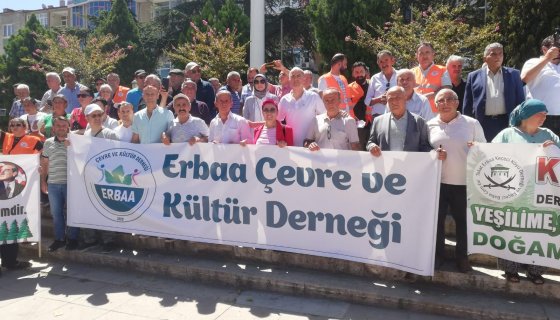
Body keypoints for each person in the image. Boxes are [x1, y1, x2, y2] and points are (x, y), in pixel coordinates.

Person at [492, 99, 557, 284]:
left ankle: (535, 270)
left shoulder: (549, 135)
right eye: (540, 114)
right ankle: (510, 270)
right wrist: (476, 149)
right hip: (512, 191)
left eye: (545, 114)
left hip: (541, 193)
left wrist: (549, 150)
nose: (544, 118)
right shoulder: (507, 134)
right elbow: (490, 155)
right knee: (511, 228)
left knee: (539, 230)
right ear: (527, 116)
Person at [427, 88, 486, 273]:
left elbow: (485, 148)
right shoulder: (429, 125)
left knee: (463, 223)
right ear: (435, 105)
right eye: (440, 101)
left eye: (449, 99)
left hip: (464, 182)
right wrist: (432, 154)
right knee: (436, 222)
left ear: (457, 102)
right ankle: (438, 255)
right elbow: (423, 149)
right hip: (437, 183)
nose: (444, 103)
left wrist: (477, 148)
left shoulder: (472, 123)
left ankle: (462, 258)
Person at [0, 117, 44, 272]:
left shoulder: (34, 140)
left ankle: (10, 261)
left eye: (18, 124)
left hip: (21, 186)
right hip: (3, 186)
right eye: (12, 125)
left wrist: (39, 167)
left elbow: (44, 156)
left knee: (13, 222)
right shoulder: (6, 137)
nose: (14, 127)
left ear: (25, 126)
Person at [463, 43, 525, 141]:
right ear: (485, 58)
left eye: (500, 54)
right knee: (485, 152)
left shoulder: (514, 74)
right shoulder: (473, 76)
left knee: (506, 153)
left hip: (507, 122)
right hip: (482, 123)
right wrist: (467, 126)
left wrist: (521, 123)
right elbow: (468, 104)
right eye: (493, 54)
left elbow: (521, 101)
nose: (498, 57)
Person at [41, 116, 79, 251]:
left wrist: (71, 148)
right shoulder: (48, 142)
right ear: (53, 128)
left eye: (64, 125)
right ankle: (59, 239)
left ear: (68, 127)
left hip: (71, 183)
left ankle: (73, 239)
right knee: (56, 213)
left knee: (72, 212)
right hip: (52, 183)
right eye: (58, 125)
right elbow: (45, 163)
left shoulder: (75, 141)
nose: (61, 128)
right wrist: (43, 181)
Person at [367, 86, 433, 156]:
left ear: (405, 99)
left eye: (398, 98)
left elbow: (425, 146)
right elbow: (371, 142)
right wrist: (372, 146)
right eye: (390, 99)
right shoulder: (378, 121)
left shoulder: (419, 121)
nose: (394, 102)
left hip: (410, 165)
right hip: (386, 164)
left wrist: (435, 153)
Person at [521, 36, 560, 135]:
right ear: (544, 49)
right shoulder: (533, 62)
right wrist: (547, 58)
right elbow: (525, 78)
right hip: (539, 117)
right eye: (555, 47)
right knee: (540, 148)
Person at [277, 67, 326, 147]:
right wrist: (281, 138)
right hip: (290, 147)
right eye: (292, 76)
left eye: (298, 76)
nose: (295, 79)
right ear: (289, 80)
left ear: (303, 79)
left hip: (311, 146)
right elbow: (277, 121)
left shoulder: (313, 97)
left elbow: (325, 116)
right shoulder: (284, 100)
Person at [411, 42, 451, 112]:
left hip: (436, 113)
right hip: (415, 112)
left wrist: (426, 97)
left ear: (433, 54)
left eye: (427, 52)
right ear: (416, 56)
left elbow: (447, 89)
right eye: (421, 53)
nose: (424, 56)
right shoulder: (410, 73)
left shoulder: (443, 70)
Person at [364, 50, 398, 120]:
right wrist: (379, 99)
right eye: (381, 62)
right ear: (378, 64)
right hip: (378, 117)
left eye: (386, 60)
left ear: (392, 61)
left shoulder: (400, 75)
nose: (384, 64)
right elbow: (367, 101)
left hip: (397, 116)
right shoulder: (375, 78)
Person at [348, 61, 371, 150]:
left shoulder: (373, 85)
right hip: (357, 126)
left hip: (372, 123)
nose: (359, 74)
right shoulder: (349, 88)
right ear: (353, 74)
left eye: (361, 71)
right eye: (356, 72)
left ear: (366, 72)